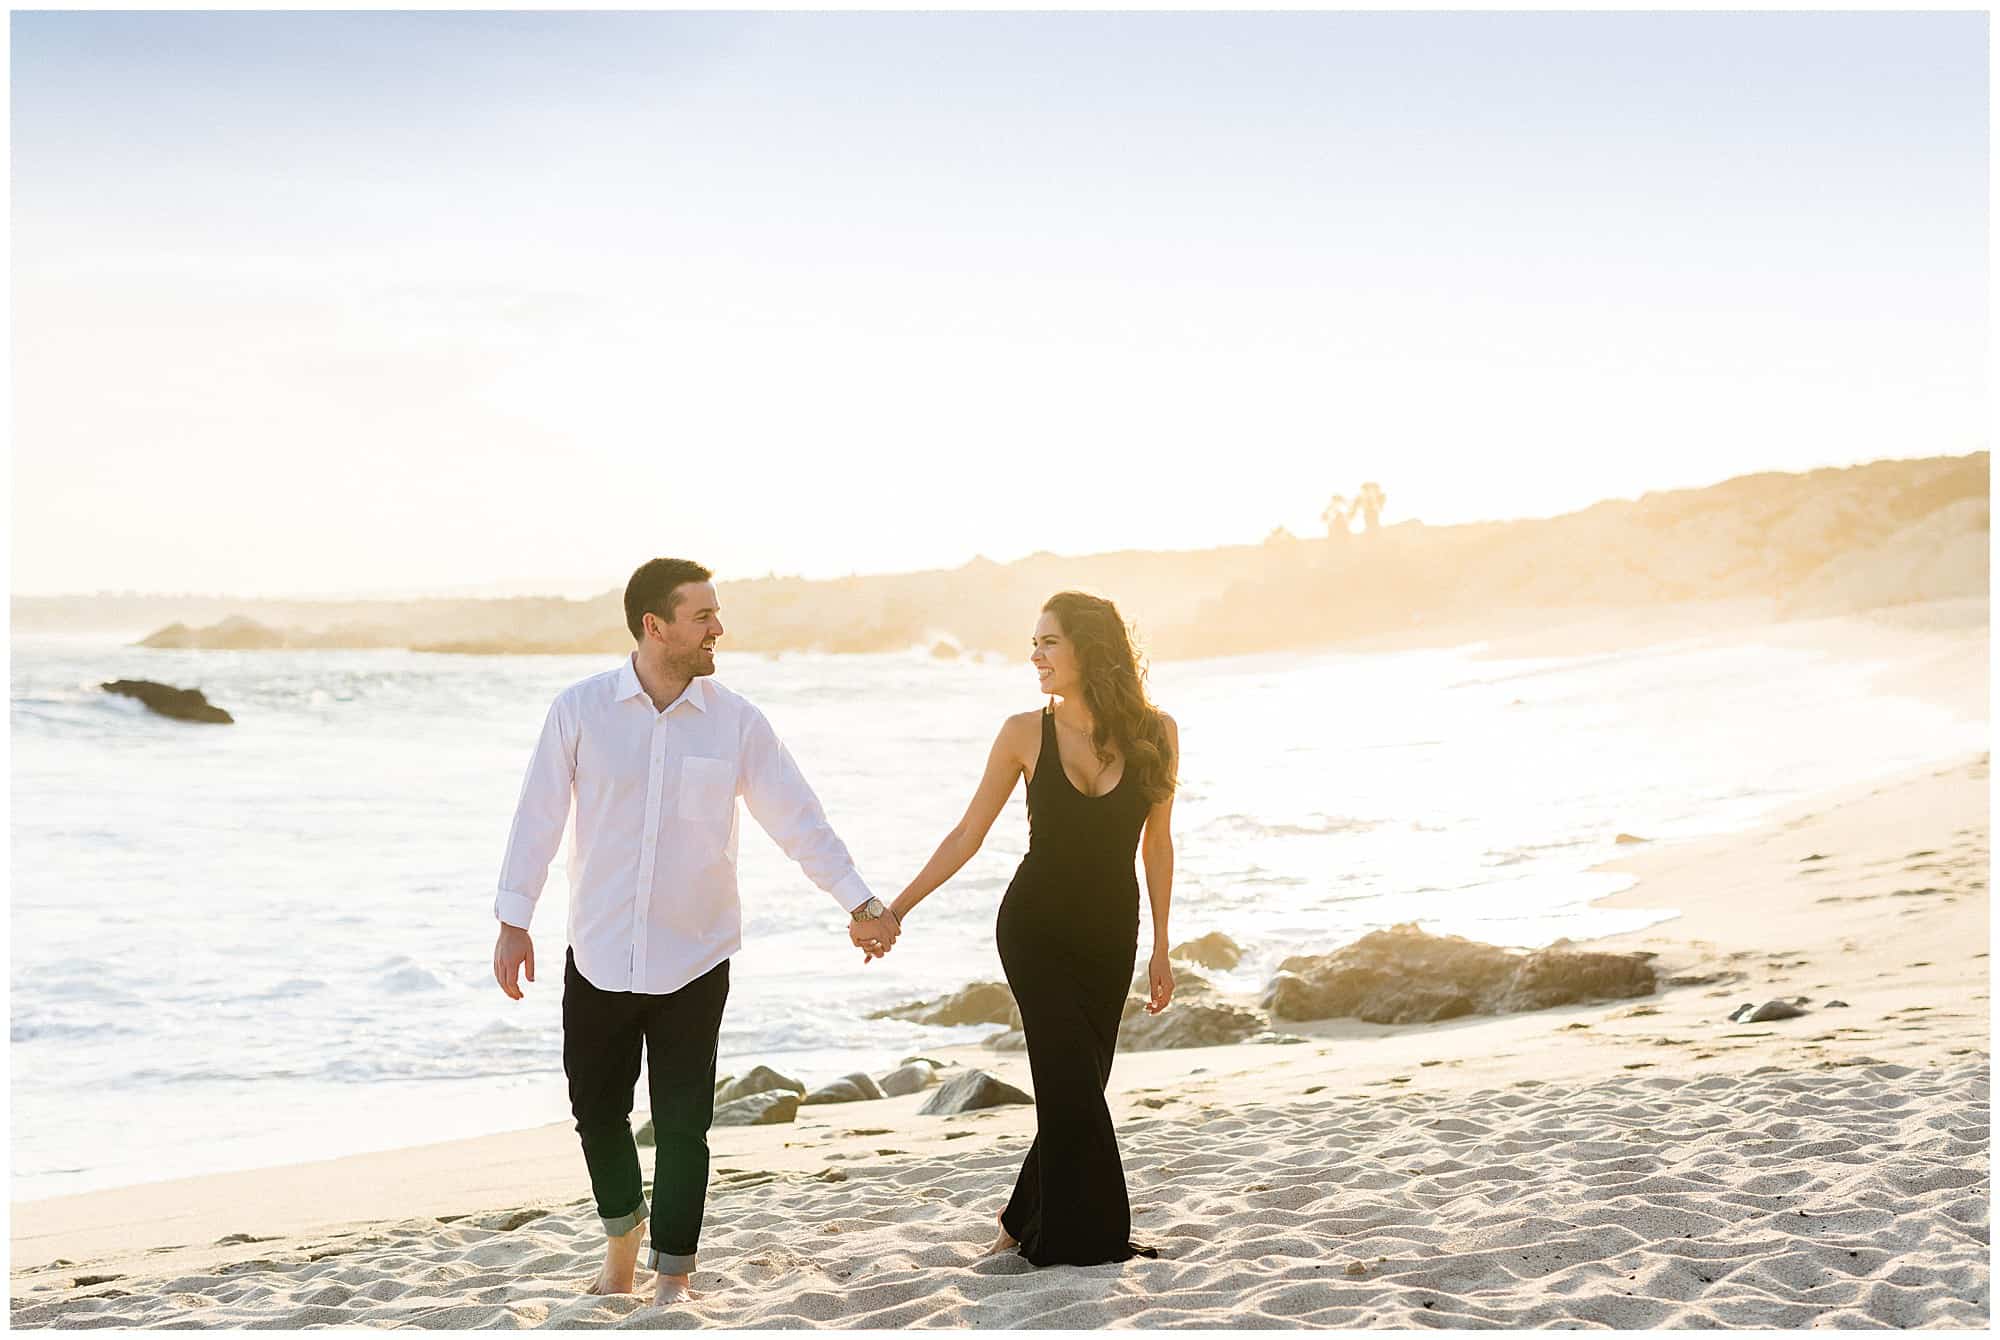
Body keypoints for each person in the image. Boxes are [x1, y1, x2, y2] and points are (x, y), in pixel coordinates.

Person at [490, 557, 902, 1306]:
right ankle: (623, 1242)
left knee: (685, 1123)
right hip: (602, 953)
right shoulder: (578, 711)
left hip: (696, 954)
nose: (720, 629)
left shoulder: (738, 722)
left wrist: (860, 902)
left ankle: (672, 1275)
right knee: (596, 1112)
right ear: (655, 625)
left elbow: (798, 820)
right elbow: (538, 817)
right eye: (703, 616)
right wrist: (514, 919)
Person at [859, 589, 1178, 1266]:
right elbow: (968, 834)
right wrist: (898, 908)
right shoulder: (1022, 732)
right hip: (1035, 929)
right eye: (1033, 643)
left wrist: (1163, 946)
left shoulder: (1158, 732)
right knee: (1070, 1082)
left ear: (1088, 646)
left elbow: (1158, 845)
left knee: (1079, 1087)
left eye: (1048, 642)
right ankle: (1081, 1237)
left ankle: (1014, 1220)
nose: (1035, 656)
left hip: (1110, 935)